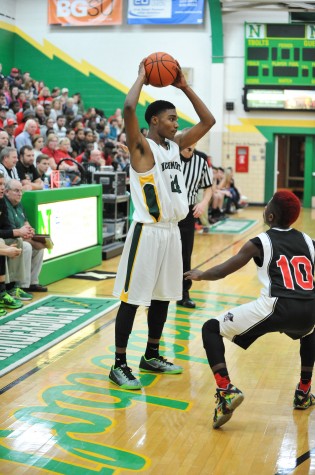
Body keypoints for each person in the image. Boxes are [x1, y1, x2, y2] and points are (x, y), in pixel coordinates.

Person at [109, 57, 215, 390]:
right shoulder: (142, 147)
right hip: (147, 232)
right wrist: (141, 77)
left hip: (172, 232)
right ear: (154, 121)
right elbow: (128, 108)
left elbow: (208, 119)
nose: (175, 123)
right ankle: (119, 363)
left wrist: (184, 86)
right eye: (170, 118)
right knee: (132, 298)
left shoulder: (175, 146)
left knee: (163, 297)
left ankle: (151, 354)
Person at [184, 191, 315, 429]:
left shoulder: (260, 241)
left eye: (267, 206)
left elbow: (225, 269)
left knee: (210, 328)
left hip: (275, 306)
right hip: (308, 308)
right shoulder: (309, 241)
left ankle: (225, 390)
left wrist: (201, 274)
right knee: (309, 331)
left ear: (271, 215)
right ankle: (304, 392)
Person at [176, 142, 212, 308]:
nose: (191, 143)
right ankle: (153, 294)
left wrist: (203, 203)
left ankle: (184, 294)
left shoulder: (201, 160)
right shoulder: (171, 156)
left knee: (185, 254)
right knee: (162, 253)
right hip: (169, 211)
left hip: (188, 211)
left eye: (194, 140)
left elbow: (209, 188)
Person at [5, 179, 48, 293]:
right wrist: (26, 234)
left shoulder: (19, 205)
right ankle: (21, 285)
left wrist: (30, 230)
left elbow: (25, 222)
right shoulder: (4, 205)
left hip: (21, 236)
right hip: (9, 239)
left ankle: (32, 282)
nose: (20, 193)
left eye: (21, 191)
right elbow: (12, 231)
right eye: (16, 191)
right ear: (7, 192)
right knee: (27, 247)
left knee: (40, 248)